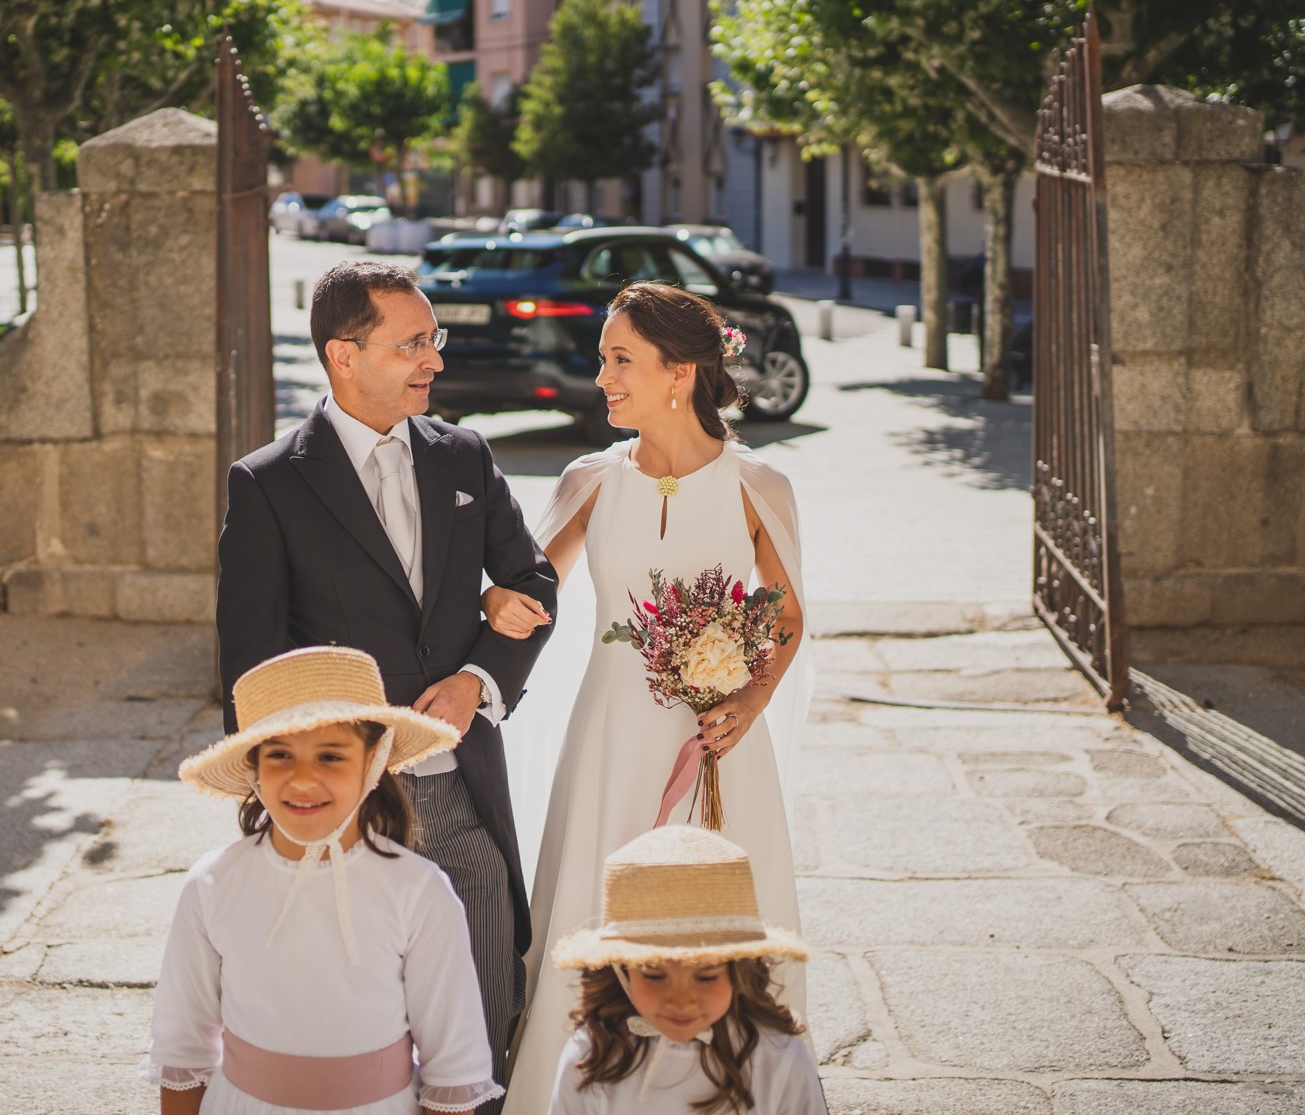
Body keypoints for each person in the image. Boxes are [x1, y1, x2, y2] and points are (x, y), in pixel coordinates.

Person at [215, 261, 559, 1110]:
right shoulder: (266, 483)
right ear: (343, 355)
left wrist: (479, 678)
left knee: (480, 1033)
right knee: (361, 1037)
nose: (432, 360)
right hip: (346, 814)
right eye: (410, 344)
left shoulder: (465, 456)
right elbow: (247, 669)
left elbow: (535, 581)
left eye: (432, 339)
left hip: (465, 803)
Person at [499, 282, 811, 1112]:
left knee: (717, 910)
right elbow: (530, 591)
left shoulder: (758, 483)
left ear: (680, 371)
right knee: (597, 895)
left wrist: (747, 700)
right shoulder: (592, 479)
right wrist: (493, 604)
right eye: (604, 359)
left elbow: (783, 618)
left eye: (619, 359)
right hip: (611, 734)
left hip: (718, 744)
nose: (601, 375)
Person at [144, 646, 504, 1114]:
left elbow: (452, 1065)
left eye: (331, 756)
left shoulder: (419, 892)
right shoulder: (212, 885)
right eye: (279, 755)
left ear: (373, 759)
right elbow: (182, 1048)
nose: (302, 779)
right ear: (253, 766)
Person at [544, 826, 822, 1114]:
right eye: (653, 975)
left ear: (738, 969)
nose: (680, 1000)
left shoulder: (778, 1059)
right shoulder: (592, 1055)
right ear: (621, 971)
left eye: (706, 976)